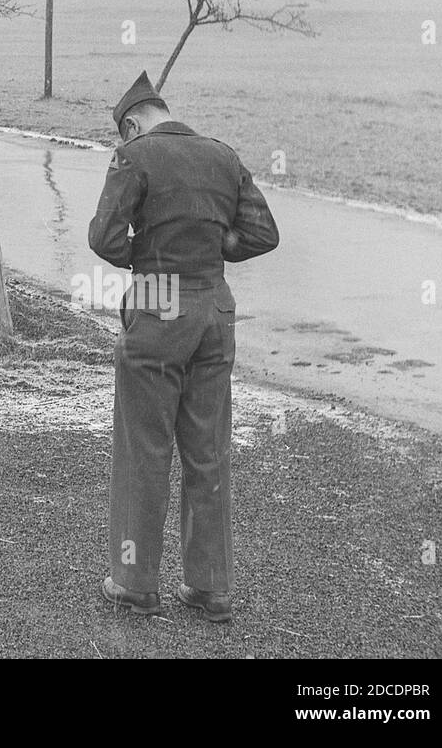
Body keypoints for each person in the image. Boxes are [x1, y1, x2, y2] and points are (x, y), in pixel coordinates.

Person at [89, 70, 279, 622]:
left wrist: (147, 256)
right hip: (215, 312)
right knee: (208, 451)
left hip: (157, 306)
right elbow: (264, 234)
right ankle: (210, 588)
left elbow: (103, 238)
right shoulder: (223, 156)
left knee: (144, 450)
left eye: (122, 136)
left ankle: (134, 583)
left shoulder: (135, 157)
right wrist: (216, 245)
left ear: (130, 125)